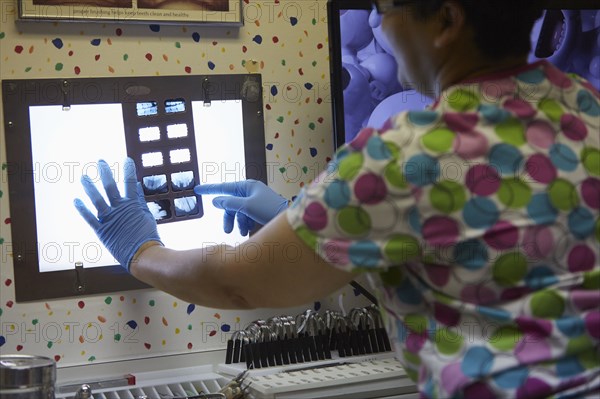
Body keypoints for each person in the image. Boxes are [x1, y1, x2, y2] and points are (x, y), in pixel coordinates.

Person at [74, 0, 600, 397]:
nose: (377, 24)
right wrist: (297, 221)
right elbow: (478, 251)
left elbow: (235, 283)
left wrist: (141, 250)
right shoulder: (587, 107)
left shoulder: (403, 154)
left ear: (445, 21)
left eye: (384, 9)